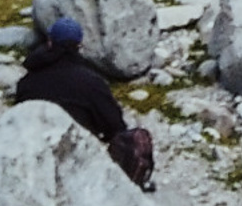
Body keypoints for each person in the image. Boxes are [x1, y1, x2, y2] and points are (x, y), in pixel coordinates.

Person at [15, 17, 154, 189]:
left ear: (50, 42)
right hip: (80, 159)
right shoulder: (91, 82)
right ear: (79, 45)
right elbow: (115, 126)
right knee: (135, 139)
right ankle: (131, 188)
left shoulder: (27, 82)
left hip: (34, 158)